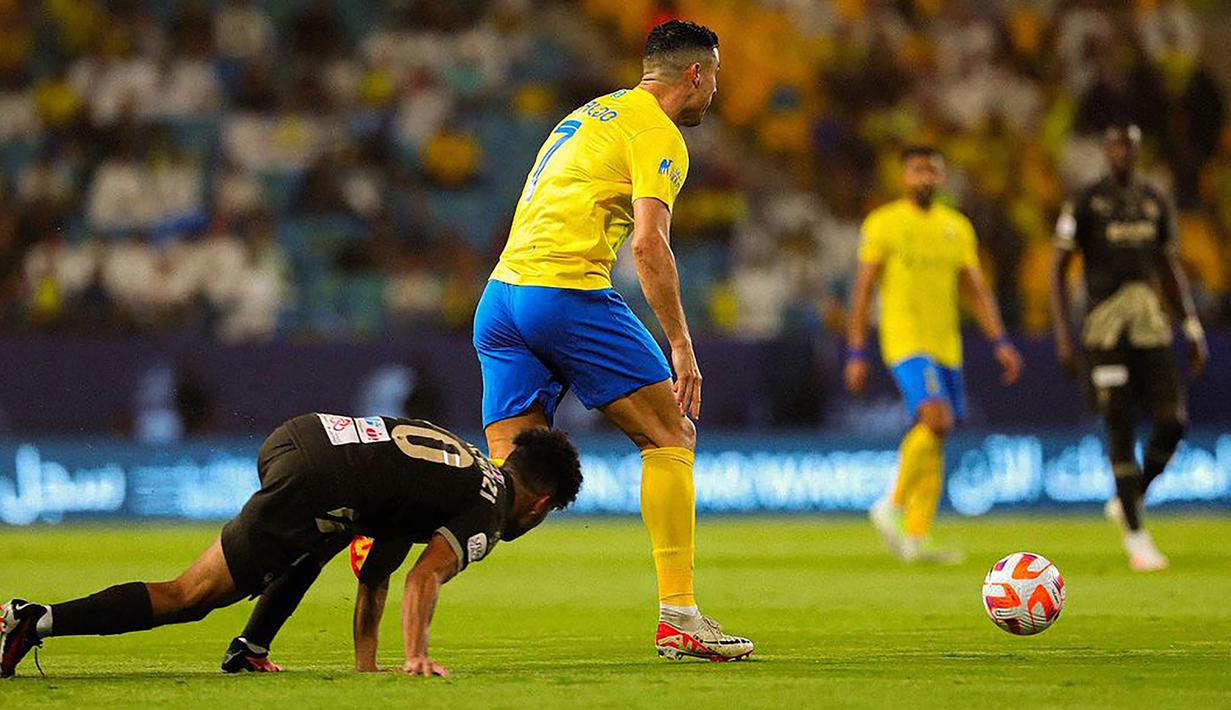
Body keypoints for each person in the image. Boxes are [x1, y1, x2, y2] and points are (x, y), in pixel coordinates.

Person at [471, 20, 752, 661]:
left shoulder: (591, 113)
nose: (715, 91)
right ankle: (679, 616)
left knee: (510, 488)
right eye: (714, 76)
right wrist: (681, 344)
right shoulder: (659, 134)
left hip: (501, 300)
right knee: (671, 434)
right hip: (563, 292)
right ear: (695, 74)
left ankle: (397, 515)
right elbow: (648, 245)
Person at [1, 414, 582, 678]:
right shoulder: (487, 511)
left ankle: (251, 647)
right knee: (189, 596)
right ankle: (34, 619)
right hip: (319, 482)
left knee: (324, 538)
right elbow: (424, 576)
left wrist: (367, 667)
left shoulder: (461, 467)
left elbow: (378, 570)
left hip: (302, 436)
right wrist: (415, 657)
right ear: (539, 504)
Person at [845, 145, 1023, 563]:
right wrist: (856, 350)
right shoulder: (884, 223)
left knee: (938, 435)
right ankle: (890, 505)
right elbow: (863, 291)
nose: (924, 177)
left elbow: (975, 290)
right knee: (937, 419)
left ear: (941, 178)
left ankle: (915, 537)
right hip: (905, 340)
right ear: (903, 176)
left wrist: (1000, 341)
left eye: (931, 171)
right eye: (916, 170)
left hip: (947, 344)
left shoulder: (956, 227)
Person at [1049, 123, 1208, 572]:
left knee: (1173, 421)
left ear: (1138, 150)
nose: (1121, 152)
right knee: (1119, 425)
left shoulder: (1155, 200)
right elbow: (1058, 269)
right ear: (1106, 150)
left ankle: (1132, 496)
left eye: (1128, 146)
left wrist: (1191, 326)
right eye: (1115, 145)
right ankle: (1137, 537)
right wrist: (1063, 335)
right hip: (1104, 328)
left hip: (1149, 323)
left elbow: (1168, 265)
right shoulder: (1085, 201)